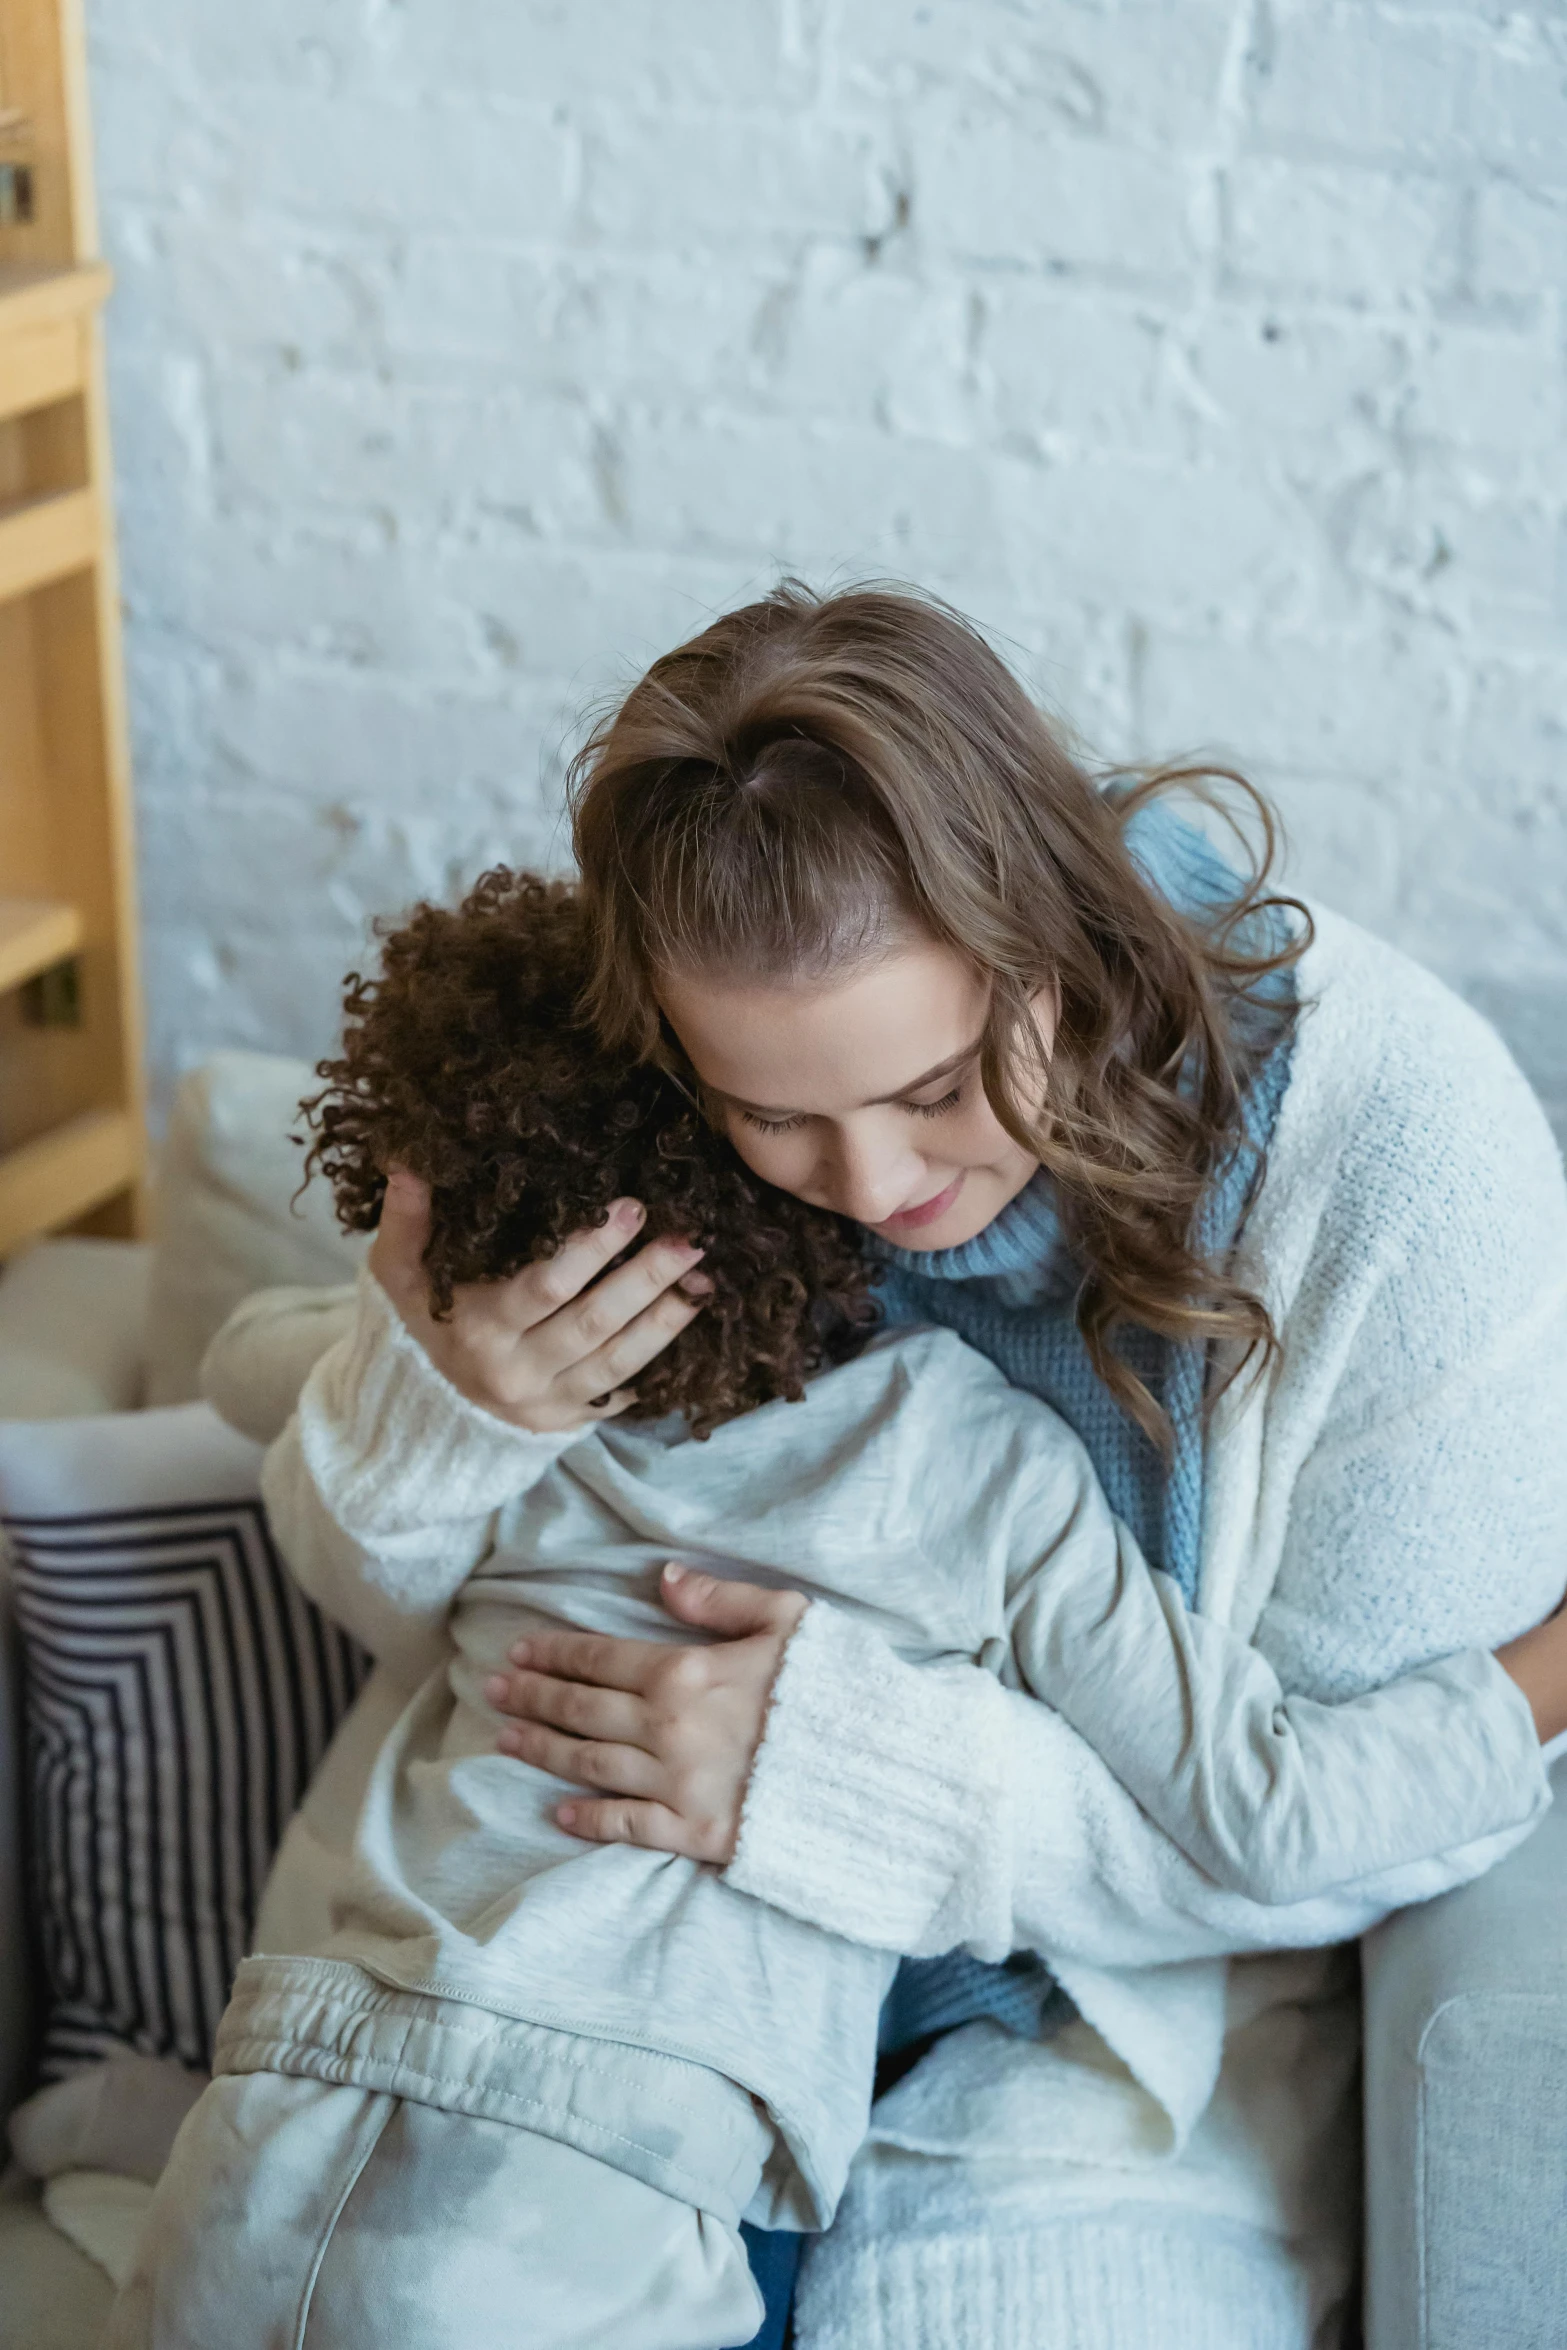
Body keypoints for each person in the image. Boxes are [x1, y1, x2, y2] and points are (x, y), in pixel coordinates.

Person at [199, 584, 1567, 2350]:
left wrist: (856, 1779)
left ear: (1055, 937)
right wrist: (447, 1402)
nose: (864, 1186)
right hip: (627, 1989)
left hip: (1099, 2014)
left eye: (933, 1083)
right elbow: (389, 1587)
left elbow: (1285, 1825)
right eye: (772, 1113)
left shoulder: (1394, 1164)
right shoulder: (659, 1196)